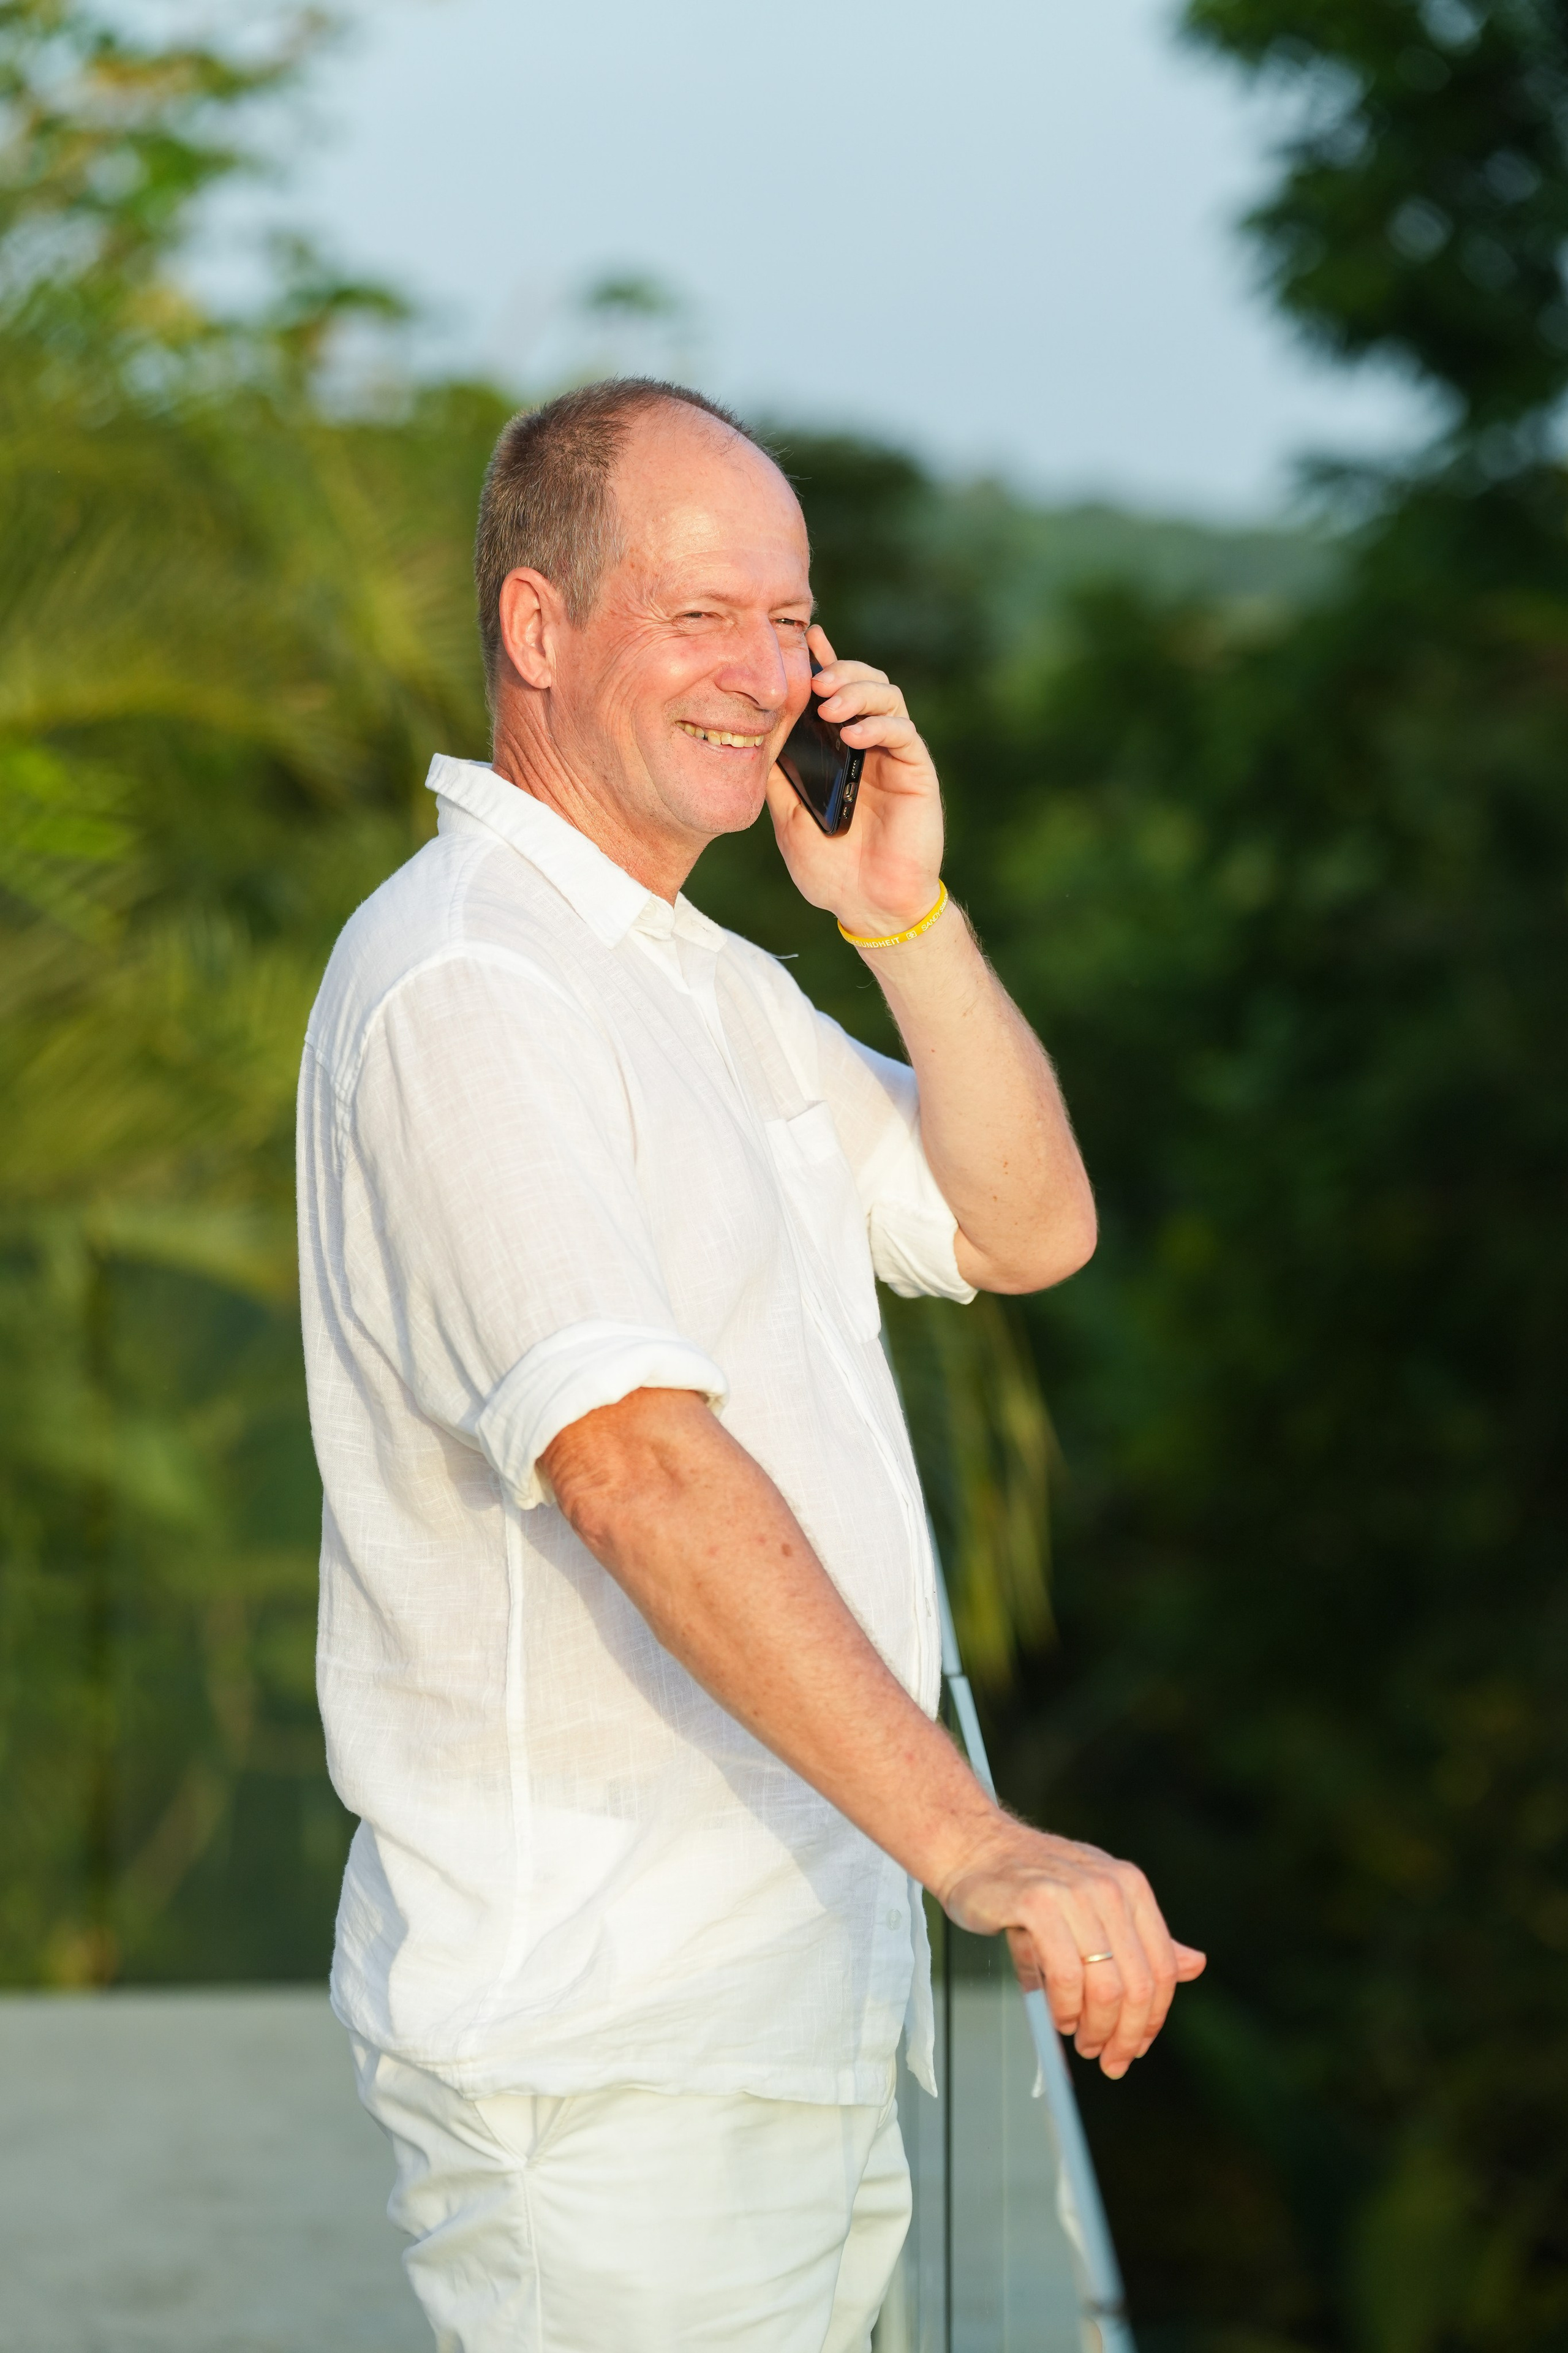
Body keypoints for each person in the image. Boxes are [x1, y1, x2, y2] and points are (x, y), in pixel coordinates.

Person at [296, 377, 1204, 2353]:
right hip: (613, 2058)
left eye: (792, 620)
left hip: (784, 2006)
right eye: (701, 613)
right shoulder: (473, 983)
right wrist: (980, 1836)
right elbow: (634, 1459)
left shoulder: (695, 976)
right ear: (539, 631)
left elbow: (1024, 1225)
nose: (771, 669)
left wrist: (907, 919)